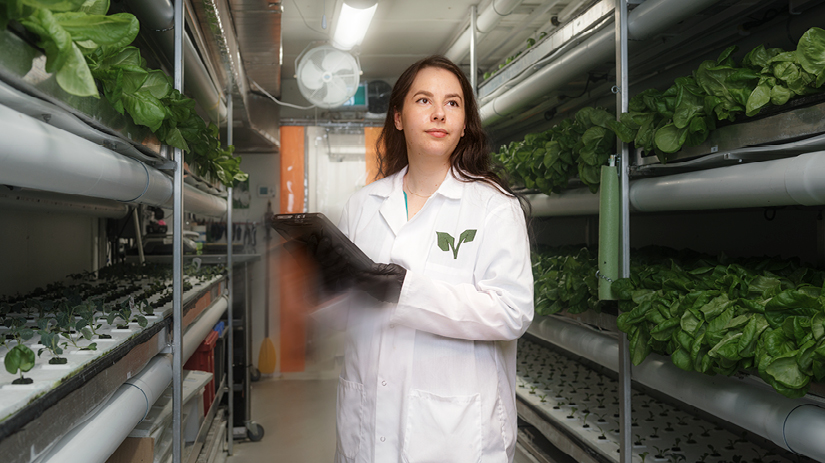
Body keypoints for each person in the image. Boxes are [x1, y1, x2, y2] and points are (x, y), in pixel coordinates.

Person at [312, 55, 534, 463]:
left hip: (454, 433)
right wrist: (326, 285)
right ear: (398, 116)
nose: (438, 114)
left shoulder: (494, 207)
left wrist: (405, 291)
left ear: (465, 122)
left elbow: (512, 311)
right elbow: (346, 315)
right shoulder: (363, 205)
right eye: (423, 101)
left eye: (452, 103)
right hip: (368, 422)